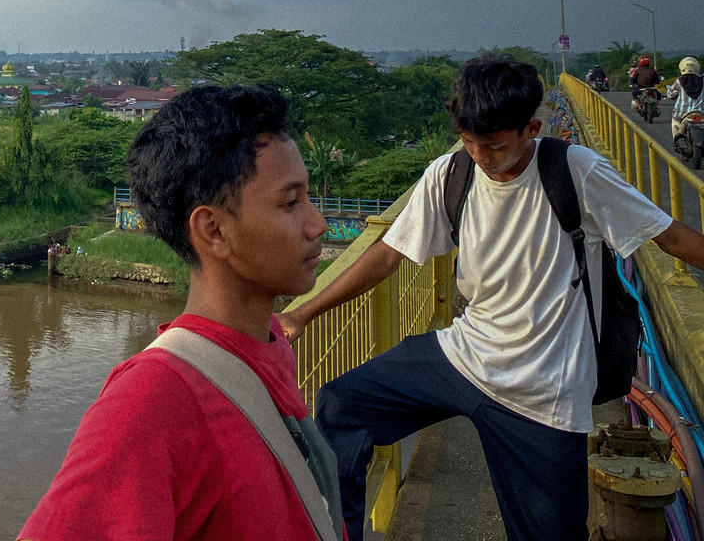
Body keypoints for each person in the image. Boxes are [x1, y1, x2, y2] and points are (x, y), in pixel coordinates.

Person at [278, 55, 704, 541]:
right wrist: (303, 313)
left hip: (544, 392)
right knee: (342, 406)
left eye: (496, 145)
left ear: (531, 129)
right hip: (465, 355)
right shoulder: (451, 174)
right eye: (469, 141)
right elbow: (389, 254)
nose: (481, 156)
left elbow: (668, 235)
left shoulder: (574, 171)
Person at [19, 85, 342, 541]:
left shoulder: (268, 342)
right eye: (291, 203)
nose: (318, 224)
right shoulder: (148, 404)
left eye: (308, 197)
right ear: (213, 231)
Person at [668, 56, 704, 138]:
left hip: (682, 113)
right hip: (701, 113)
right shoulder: (703, 81)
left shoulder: (678, 81)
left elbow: (670, 94)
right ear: (697, 68)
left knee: (675, 124)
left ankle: (677, 140)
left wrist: (671, 94)